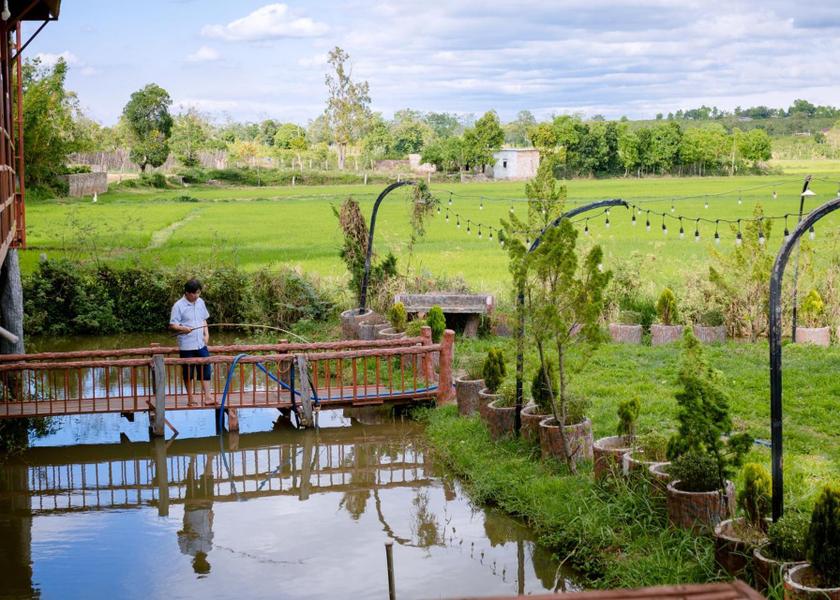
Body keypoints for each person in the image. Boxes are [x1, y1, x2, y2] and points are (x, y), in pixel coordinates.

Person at [169, 279, 213, 406]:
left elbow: (204, 319)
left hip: (201, 344)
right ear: (187, 293)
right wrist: (183, 328)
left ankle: (208, 398)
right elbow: (173, 325)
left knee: (205, 369)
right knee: (188, 372)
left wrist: (207, 334)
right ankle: (190, 398)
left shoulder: (200, 302)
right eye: (194, 293)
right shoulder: (178, 306)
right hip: (187, 345)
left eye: (198, 293)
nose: (196, 296)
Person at [177, 454, 216, 575]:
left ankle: (192, 460)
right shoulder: (208, 548)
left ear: (195, 564)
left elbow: (180, 533)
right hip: (206, 508)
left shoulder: (186, 550)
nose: (203, 562)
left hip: (191, 508)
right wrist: (212, 517)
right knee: (208, 480)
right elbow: (210, 531)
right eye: (205, 564)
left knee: (191, 483)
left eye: (201, 565)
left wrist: (188, 534)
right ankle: (210, 458)